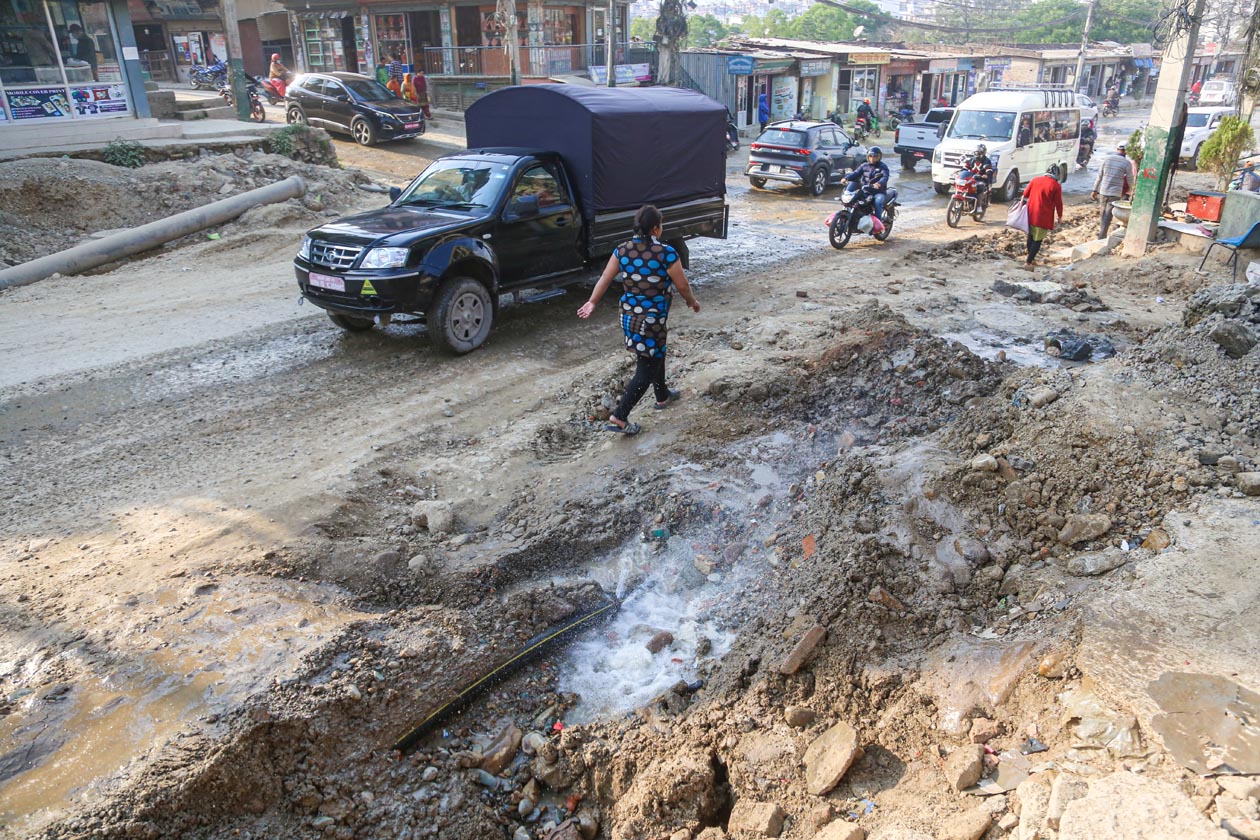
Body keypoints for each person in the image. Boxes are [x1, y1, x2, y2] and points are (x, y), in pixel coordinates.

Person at [577, 205, 700, 435]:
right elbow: (683, 285)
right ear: (656, 229)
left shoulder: (622, 250)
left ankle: (662, 396)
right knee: (646, 369)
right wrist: (692, 302)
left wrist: (592, 301)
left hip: (628, 316)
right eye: (660, 226)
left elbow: (605, 277)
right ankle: (620, 416)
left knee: (656, 352)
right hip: (652, 320)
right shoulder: (666, 253)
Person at [1021, 164, 1063, 271]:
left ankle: (1030, 258)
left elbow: (1025, 194)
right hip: (1043, 216)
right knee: (1038, 240)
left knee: (1030, 236)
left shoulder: (1035, 180)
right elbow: (1058, 203)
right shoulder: (1056, 186)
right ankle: (1028, 262)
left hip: (1030, 213)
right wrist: (1060, 216)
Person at [844, 146, 892, 226]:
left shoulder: (882, 166)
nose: (872, 158)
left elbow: (885, 177)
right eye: (870, 156)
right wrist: (846, 178)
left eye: (875, 157)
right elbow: (855, 173)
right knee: (853, 200)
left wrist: (879, 183)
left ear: (879, 157)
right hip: (865, 190)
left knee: (878, 202)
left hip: (878, 192)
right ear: (868, 156)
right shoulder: (864, 165)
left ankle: (878, 223)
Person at [1092, 146, 1131, 239]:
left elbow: (1099, 176)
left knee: (1103, 212)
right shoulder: (1126, 163)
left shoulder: (1107, 159)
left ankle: (1102, 234)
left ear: (1117, 149)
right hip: (1115, 193)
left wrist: (1094, 190)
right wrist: (1132, 191)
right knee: (1108, 214)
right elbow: (1130, 179)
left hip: (1103, 191)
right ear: (1126, 151)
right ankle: (1102, 236)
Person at [966, 143, 994, 208]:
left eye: (979, 153)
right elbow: (966, 167)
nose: (977, 155)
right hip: (971, 178)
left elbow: (989, 171)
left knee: (980, 187)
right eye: (976, 153)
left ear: (983, 153)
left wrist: (985, 175)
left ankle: (979, 205)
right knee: (963, 185)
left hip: (981, 179)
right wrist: (961, 172)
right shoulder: (972, 160)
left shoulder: (987, 161)